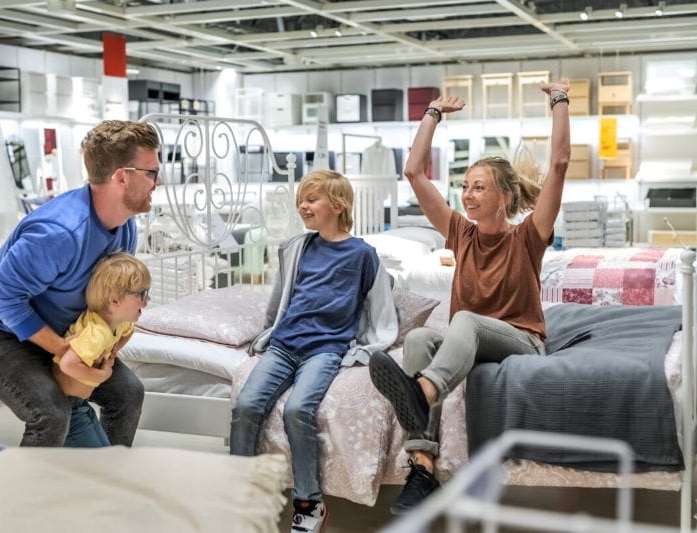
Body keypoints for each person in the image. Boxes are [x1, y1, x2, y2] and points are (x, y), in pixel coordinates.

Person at [369, 79, 571, 514]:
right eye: (465, 186)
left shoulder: (529, 236)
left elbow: (558, 164)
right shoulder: (460, 233)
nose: (467, 194)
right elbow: (414, 173)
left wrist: (559, 100)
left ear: (505, 196)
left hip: (522, 341)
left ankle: (422, 390)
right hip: (476, 343)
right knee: (421, 338)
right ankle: (422, 469)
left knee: (462, 320)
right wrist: (433, 113)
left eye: (479, 187)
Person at [0, 120, 160, 447]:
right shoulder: (59, 233)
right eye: (150, 172)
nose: (158, 182)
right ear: (121, 176)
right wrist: (68, 351)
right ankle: (41, 496)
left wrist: (106, 346)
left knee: (128, 393)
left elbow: (109, 296)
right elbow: (0, 299)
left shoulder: (125, 227)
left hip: (55, 328)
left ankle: (108, 480)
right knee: (51, 413)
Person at [230, 170, 399, 533]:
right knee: (246, 406)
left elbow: (380, 306)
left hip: (325, 350)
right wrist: (267, 333)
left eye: (311, 199)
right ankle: (239, 492)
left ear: (337, 205)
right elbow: (281, 301)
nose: (303, 206)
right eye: (301, 201)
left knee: (297, 410)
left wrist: (368, 349)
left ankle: (309, 503)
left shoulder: (362, 255)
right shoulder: (298, 248)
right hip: (285, 344)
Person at [53, 253, 151, 448]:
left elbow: (128, 332)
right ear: (114, 300)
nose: (147, 300)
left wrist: (113, 350)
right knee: (101, 460)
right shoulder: (96, 332)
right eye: (142, 294)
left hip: (80, 405)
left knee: (107, 454)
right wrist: (101, 375)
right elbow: (67, 364)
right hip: (66, 408)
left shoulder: (119, 323)